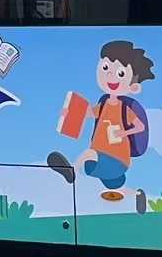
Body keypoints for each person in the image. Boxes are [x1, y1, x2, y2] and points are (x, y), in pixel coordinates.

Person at [48, 40, 154, 195]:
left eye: (120, 73)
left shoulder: (124, 109)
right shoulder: (104, 103)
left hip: (117, 158)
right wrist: (68, 113)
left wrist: (122, 133)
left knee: (88, 155)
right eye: (105, 68)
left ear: (134, 87)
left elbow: (140, 127)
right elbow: (89, 113)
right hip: (103, 155)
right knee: (113, 184)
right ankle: (133, 193)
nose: (110, 75)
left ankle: (72, 171)